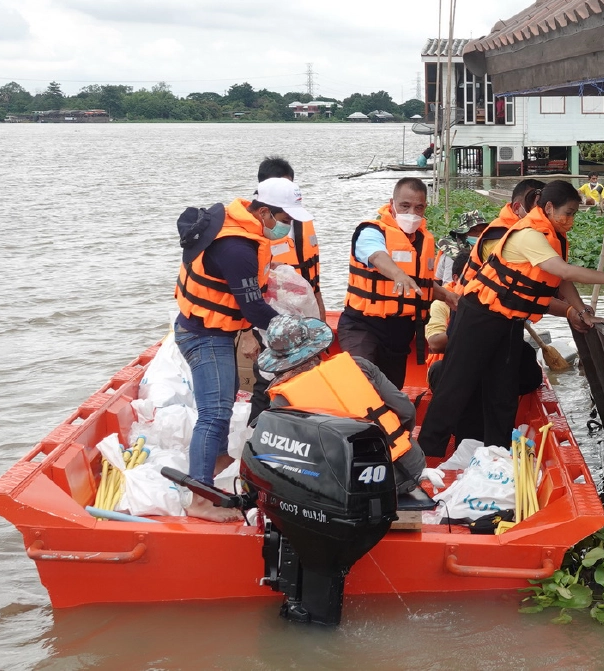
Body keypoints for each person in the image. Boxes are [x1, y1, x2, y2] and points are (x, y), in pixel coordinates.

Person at [418, 180, 604, 457]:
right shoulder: (528, 235)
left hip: (509, 321)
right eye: (568, 213)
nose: (571, 220)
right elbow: (564, 271)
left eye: (574, 214)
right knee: (455, 386)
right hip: (479, 316)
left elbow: (560, 280)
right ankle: (426, 455)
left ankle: (496, 455)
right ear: (548, 207)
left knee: (503, 392)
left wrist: (581, 312)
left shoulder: (552, 236)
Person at [173, 177, 311, 521]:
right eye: (285, 219)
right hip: (202, 336)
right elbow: (253, 308)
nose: (287, 227)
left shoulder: (240, 228)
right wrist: (294, 334)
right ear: (264, 211)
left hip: (215, 330)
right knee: (215, 412)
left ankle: (217, 461)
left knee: (226, 395)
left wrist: (250, 332)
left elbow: (240, 297)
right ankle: (200, 499)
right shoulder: (237, 248)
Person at [258, 315, 427, 497]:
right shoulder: (360, 365)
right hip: (409, 471)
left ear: (278, 361)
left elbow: (290, 459)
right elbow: (407, 411)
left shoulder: (282, 399)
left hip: (348, 489)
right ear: (316, 346)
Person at [338, 177, 460, 389]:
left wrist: (448, 296)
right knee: (360, 380)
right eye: (405, 205)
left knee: (391, 390)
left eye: (418, 207)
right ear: (392, 203)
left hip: (400, 330)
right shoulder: (371, 232)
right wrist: (398, 274)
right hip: (363, 324)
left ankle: (387, 422)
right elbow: (376, 256)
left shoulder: (424, 240)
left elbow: (423, 283)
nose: (411, 213)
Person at [250, 156, 324, 423]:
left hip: (302, 317)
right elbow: (245, 289)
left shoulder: (301, 222)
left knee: (306, 377)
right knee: (268, 377)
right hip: (267, 319)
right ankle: (257, 430)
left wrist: (321, 321)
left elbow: (314, 282)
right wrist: (248, 334)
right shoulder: (254, 230)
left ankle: (298, 427)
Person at [452, 179, 544, 291]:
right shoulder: (498, 237)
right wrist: (567, 308)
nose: (541, 214)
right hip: (475, 300)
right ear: (516, 208)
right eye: (536, 209)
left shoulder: (529, 231)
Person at [434, 210, 488, 284]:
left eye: (482, 230)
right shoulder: (452, 254)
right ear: (464, 233)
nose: (479, 234)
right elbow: (448, 285)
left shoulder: (486, 248)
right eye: (474, 230)